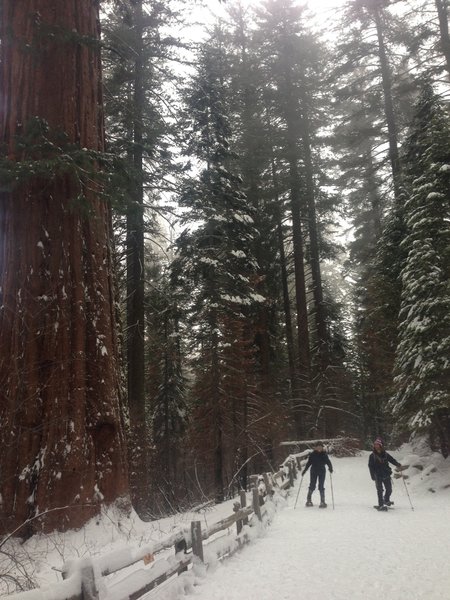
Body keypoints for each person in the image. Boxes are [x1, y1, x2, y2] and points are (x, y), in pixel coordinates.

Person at [368, 438, 402, 511]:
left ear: (381, 445)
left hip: (386, 474)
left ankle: (386, 500)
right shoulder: (372, 456)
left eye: (378, 445)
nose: (376, 446)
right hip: (377, 475)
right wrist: (372, 475)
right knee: (380, 490)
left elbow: (392, 460)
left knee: (389, 489)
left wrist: (397, 464)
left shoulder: (385, 454)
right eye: (375, 445)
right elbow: (370, 466)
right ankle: (381, 505)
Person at [302, 441, 333, 508]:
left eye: (320, 447)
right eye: (317, 447)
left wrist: (330, 468)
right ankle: (309, 500)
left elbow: (328, 462)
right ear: (315, 448)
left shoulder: (324, 454)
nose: (319, 448)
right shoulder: (312, 455)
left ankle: (322, 502)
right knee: (312, 485)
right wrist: (305, 470)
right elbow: (309, 463)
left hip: (322, 471)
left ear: (322, 448)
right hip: (314, 471)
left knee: (321, 486)